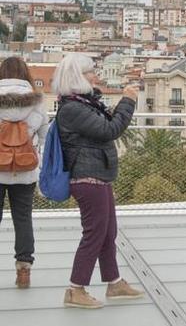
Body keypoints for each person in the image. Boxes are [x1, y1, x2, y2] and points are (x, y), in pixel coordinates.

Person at [53, 54, 143, 309]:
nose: (96, 75)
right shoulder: (72, 109)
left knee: (108, 232)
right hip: (87, 178)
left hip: (98, 175)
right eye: (91, 72)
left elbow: (104, 126)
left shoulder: (82, 103)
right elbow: (110, 130)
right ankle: (75, 288)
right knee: (94, 234)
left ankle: (114, 282)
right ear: (78, 77)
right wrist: (128, 101)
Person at [0, 57, 48, 289]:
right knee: (22, 218)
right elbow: (44, 132)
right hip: (25, 170)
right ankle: (24, 271)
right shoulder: (36, 101)